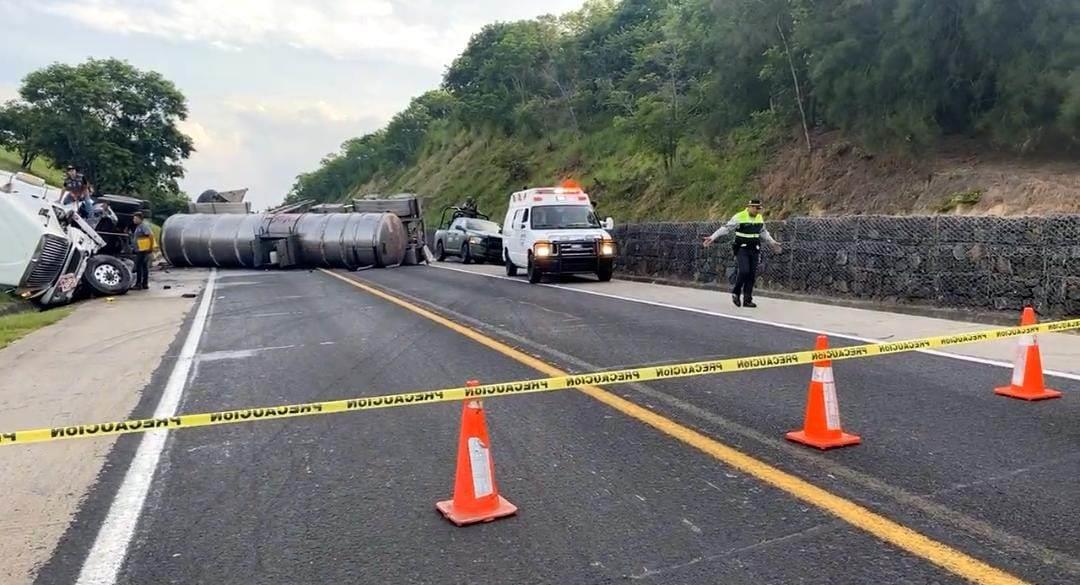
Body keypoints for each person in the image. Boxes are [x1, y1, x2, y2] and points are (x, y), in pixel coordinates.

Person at [703, 198, 782, 308]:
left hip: (755, 248)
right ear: (749, 207)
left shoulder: (759, 217)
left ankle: (747, 300)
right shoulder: (739, 217)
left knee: (751, 274)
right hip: (742, 248)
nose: (757, 210)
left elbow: (763, 232)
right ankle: (736, 292)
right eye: (755, 208)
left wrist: (772, 242)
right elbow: (726, 228)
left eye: (759, 208)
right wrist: (712, 237)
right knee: (744, 271)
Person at [130, 212, 154, 290]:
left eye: (135, 218)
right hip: (140, 249)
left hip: (143, 249)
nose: (134, 220)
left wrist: (150, 247)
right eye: (134, 218)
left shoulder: (143, 226)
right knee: (143, 266)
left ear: (140, 219)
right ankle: (144, 284)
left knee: (139, 266)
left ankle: (139, 284)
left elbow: (150, 236)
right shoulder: (139, 226)